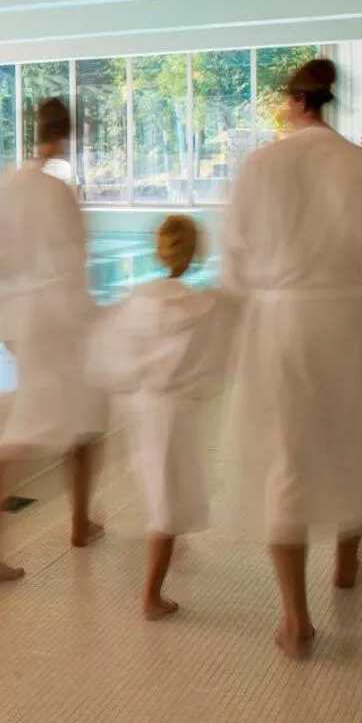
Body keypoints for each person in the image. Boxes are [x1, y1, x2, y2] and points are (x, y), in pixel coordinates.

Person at [221, 57, 362, 658]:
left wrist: (234, 330)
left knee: (286, 455)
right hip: (347, 319)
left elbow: (234, 263)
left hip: (279, 323)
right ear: (330, 100)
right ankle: (346, 563)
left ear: (292, 102)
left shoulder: (260, 166)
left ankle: (295, 620)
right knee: (351, 438)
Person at [0, 97, 104, 582]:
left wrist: (4, 326)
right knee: (30, 429)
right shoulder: (57, 192)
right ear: (67, 135)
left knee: (81, 419)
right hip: (59, 322)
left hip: (24, 322)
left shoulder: (8, 187)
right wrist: (90, 323)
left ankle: (80, 523)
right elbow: (74, 263)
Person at [93, 215, 236, 619]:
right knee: (169, 500)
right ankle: (151, 596)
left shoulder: (139, 299)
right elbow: (215, 361)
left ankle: (166, 560)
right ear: (195, 255)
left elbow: (113, 350)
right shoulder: (202, 306)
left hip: (140, 405)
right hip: (175, 409)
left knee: (159, 485)